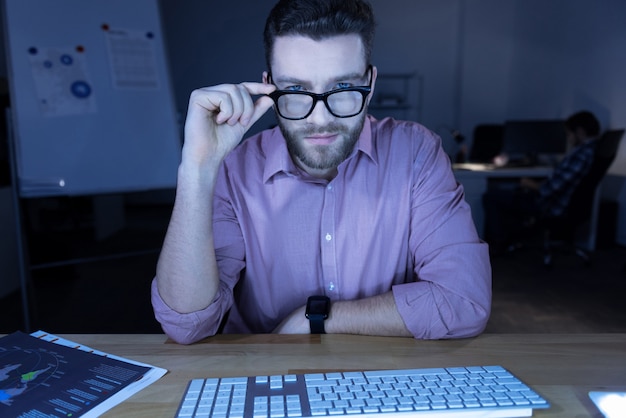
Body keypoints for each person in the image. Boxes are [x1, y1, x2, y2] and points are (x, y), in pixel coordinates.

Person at [152, 0, 491, 344]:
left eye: (343, 89)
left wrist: (319, 319)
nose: (319, 119)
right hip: (264, 378)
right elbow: (186, 324)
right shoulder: (234, 169)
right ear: (269, 87)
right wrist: (197, 168)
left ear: (369, 84)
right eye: (296, 91)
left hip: (384, 377)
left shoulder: (416, 153)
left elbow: (463, 301)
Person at [483, 110, 601, 252]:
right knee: (512, 193)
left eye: (569, 134)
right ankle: (515, 235)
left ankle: (499, 242)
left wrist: (529, 183)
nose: (568, 138)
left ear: (580, 132)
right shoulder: (592, 150)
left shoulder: (582, 155)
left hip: (550, 205)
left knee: (492, 196)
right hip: (563, 204)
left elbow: (551, 188)